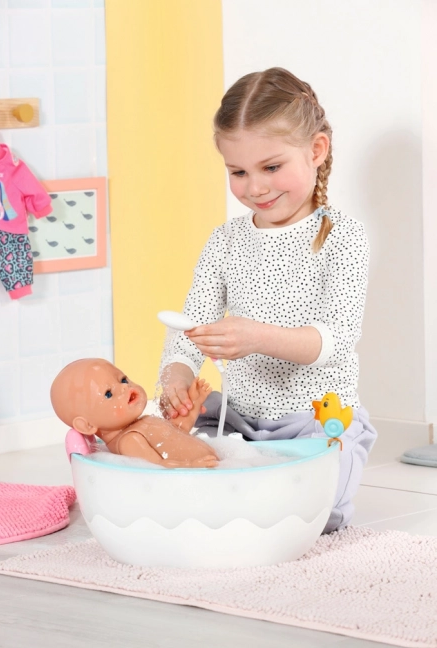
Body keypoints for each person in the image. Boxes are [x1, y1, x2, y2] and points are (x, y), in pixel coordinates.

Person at [159, 67, 377, 532]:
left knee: (311, 510)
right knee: (175, 457)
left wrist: (256, 336)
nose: (254, 188)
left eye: (271, 167)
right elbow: (189, 326)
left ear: (316, 151)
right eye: (238, 172)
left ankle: (290, 497)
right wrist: (177, 376)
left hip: (314, 418)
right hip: (236, 420)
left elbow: (332, 342)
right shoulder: (225, 241)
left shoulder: (344, 238)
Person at [50, 358, 218, 468]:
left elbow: (178, 432)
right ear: (88, 425)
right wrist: (193, 466)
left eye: (123, 380)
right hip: (200, 477)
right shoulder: (129, 441)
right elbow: (159, 468)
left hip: (212, 469)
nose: (125, 387)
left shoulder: (141, 424)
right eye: (109, 394)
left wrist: (194, 404)